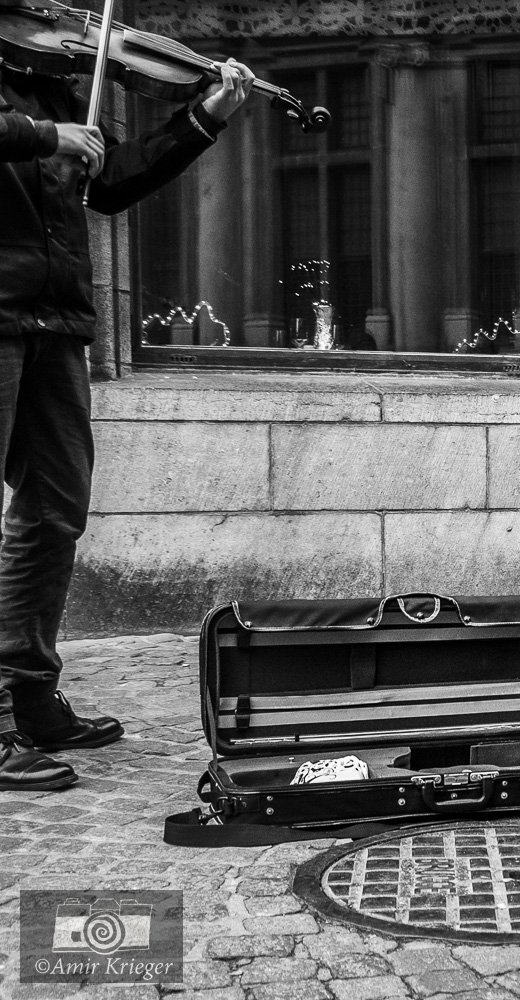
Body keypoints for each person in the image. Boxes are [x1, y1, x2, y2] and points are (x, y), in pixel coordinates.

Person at [0, 55, 258, 792]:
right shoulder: (42, 111)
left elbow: (109, 184)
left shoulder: (53, 80)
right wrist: (45, 134)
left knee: (54, 510)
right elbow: (40, 141)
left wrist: (203, 118)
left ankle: (28, 693)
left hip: (54, 316)